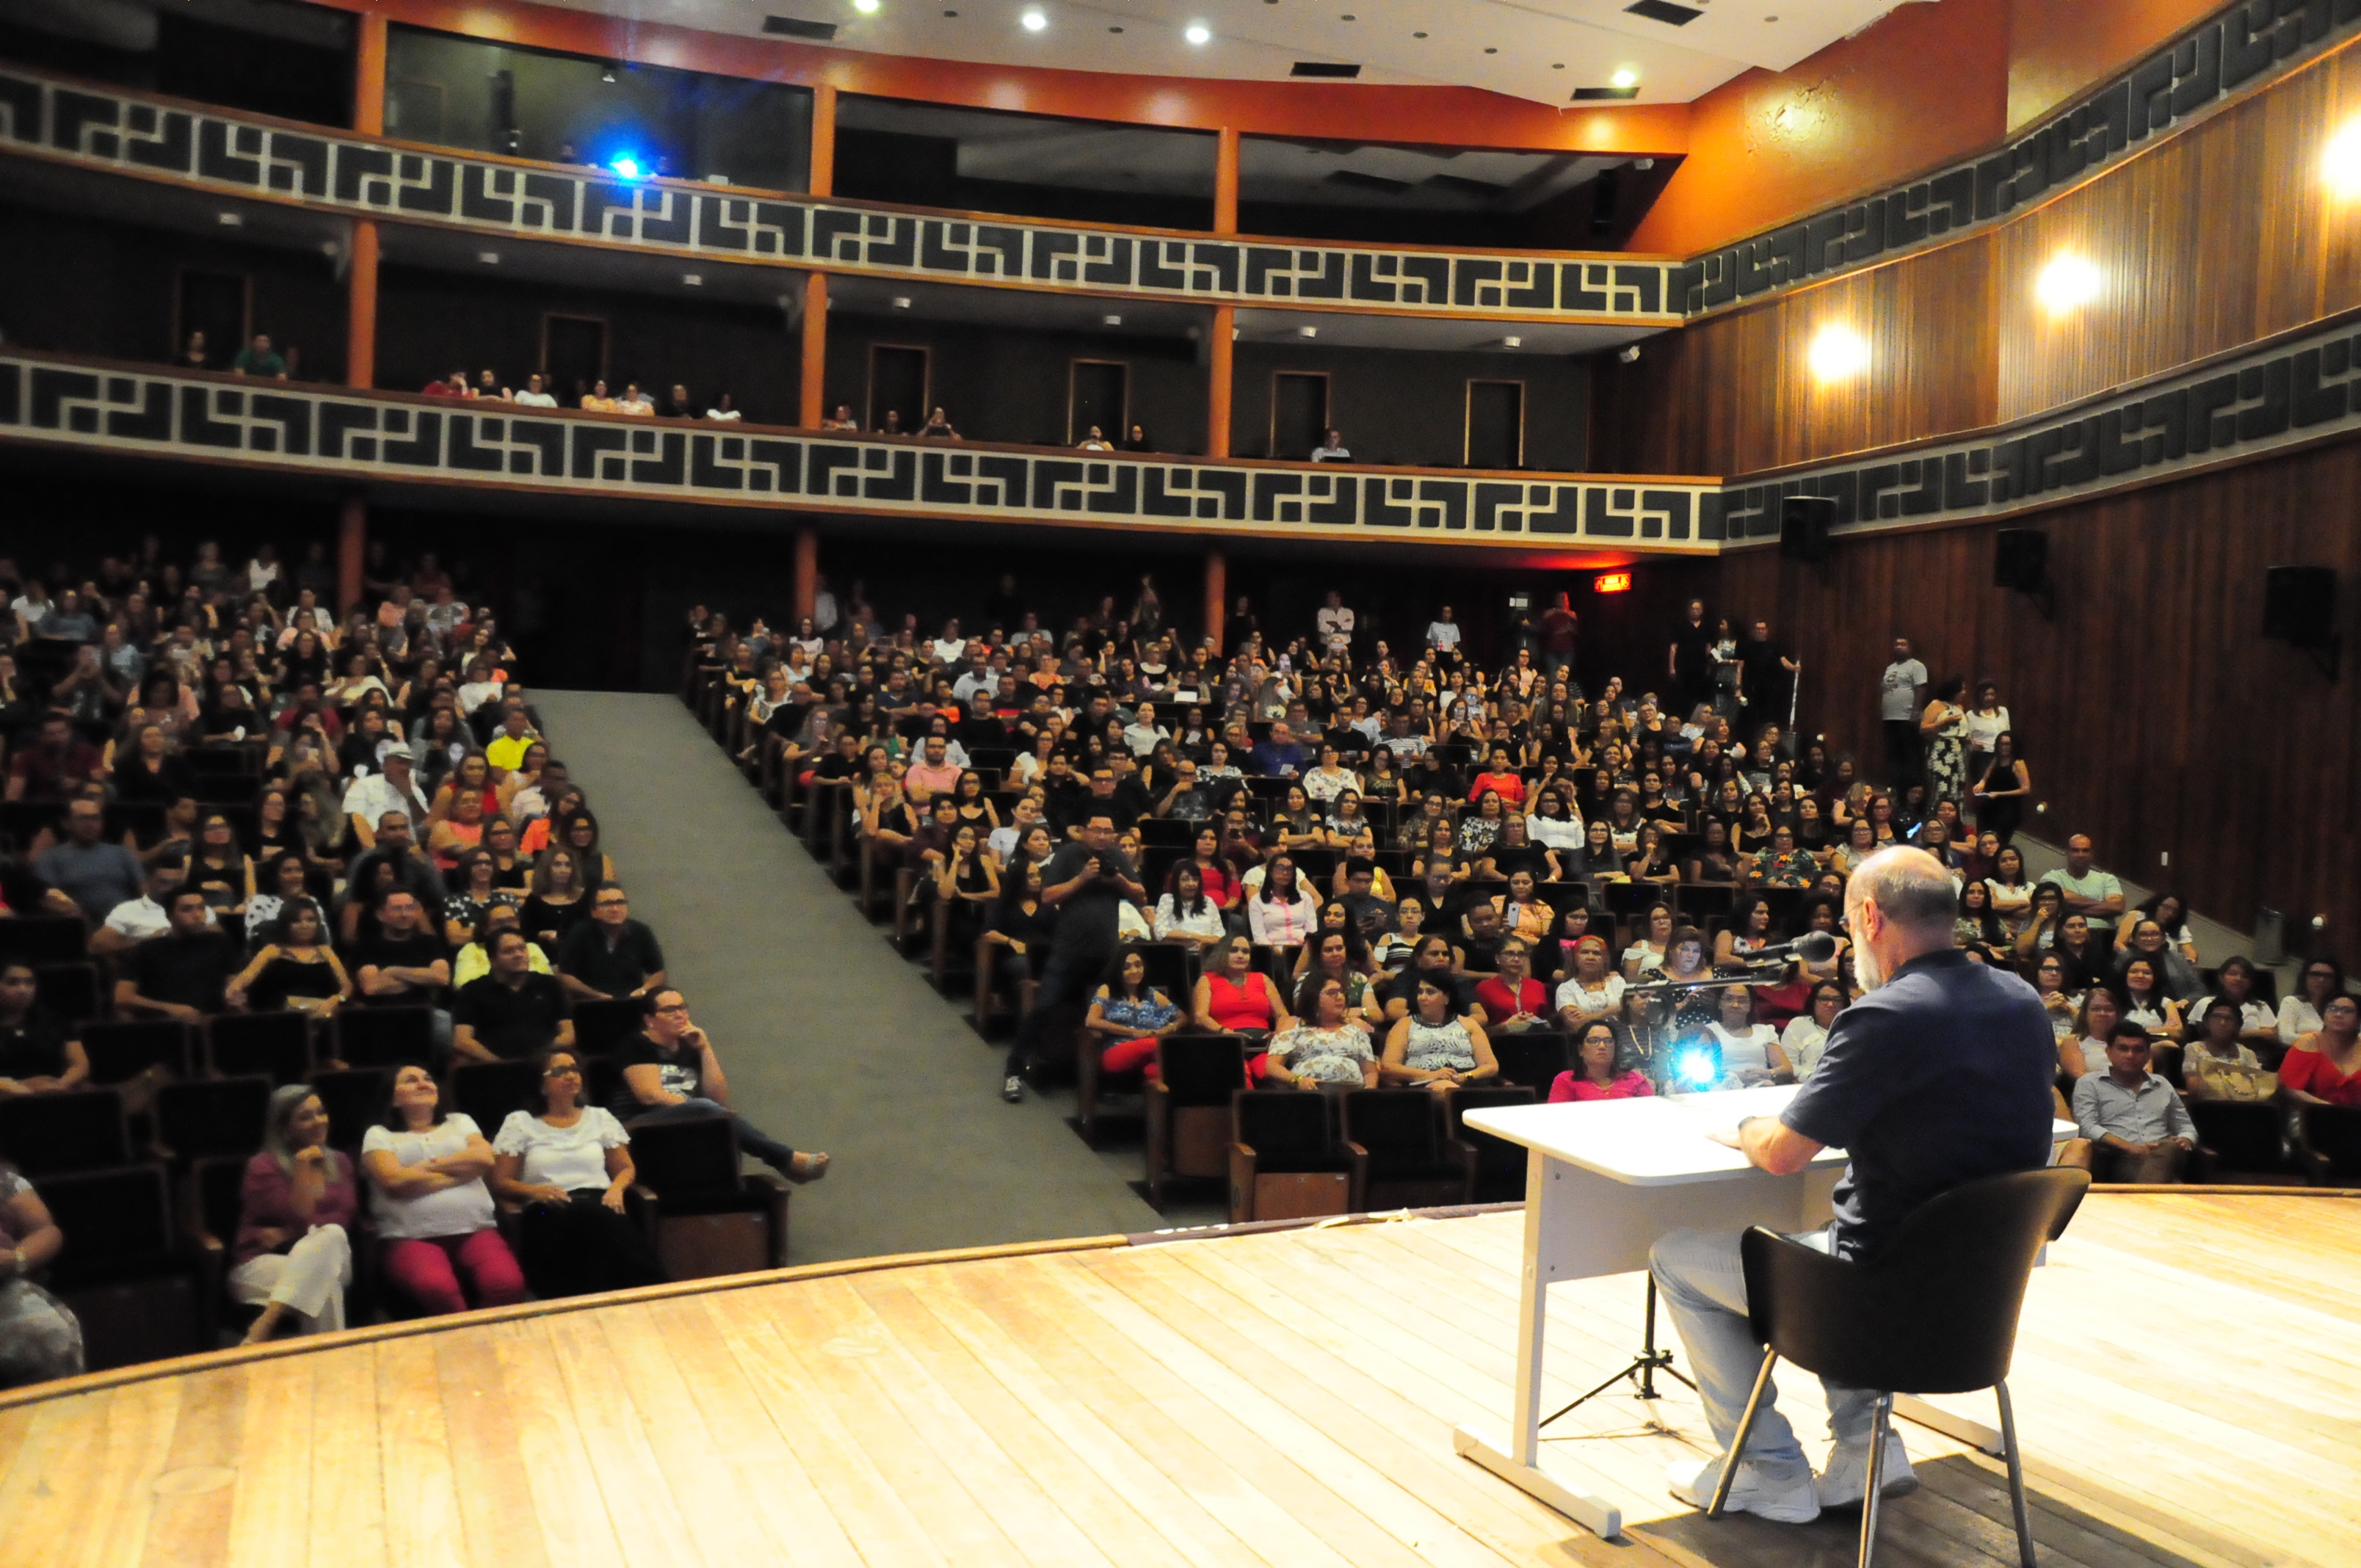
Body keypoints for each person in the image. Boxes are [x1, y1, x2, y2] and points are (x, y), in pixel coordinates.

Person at [1650, 846, 2056, 1523]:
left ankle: (1767, 1468)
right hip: (1979, 1306)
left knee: (1678, 1257)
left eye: (1847, 919)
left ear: (1870, 916)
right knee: (1844, 1232)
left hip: (1870, 1309)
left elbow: (1783, 1154)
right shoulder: (2022, 1000)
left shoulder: (1886, 1015)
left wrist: (1749, 1124)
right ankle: (1870, 1445)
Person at [491, 1045, 667, 1299]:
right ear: (540, 1084)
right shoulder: (520, 1122)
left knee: (597, 1214)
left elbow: (626, 1167)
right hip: (544, 1208)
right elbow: (501, 1182)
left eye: (574, 1069)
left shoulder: (600, 1117)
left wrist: (616, 1189)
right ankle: (654, 1286)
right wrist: (535, 1191)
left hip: (600, 1201)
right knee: (595, 1220)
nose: (571, 1075)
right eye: (560, 1071)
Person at [610, 989, 829, 1182]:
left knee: (714, 1112)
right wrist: (701, 1110)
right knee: (709, 1111)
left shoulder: (689, 1046)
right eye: (670, 1010)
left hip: (684, 1127)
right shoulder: (636, 1045)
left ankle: (774, 1168)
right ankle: (786, 1159)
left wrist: (705, 1049)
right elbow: (650, 1095)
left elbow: (717, 1096)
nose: (680, 1015)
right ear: (650, 1019)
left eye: (683, 1008)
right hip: (638, 1128)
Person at [361, 1064, 526, 1315]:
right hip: (409, 1236)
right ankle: (464, 1344)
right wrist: (461, 1173)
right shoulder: (379, 1134)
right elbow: (393, 1180)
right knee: (438, 1288)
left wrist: (427, 1166)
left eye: (428, 1078)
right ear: (394, 1098)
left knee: (507, 1284)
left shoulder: (459, 1122)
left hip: (476, 1229)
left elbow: (485, 1158)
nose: (423, 1083)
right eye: (411, 1080)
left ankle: (482, 1341)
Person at [1006, 813, 1142, 1103]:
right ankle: (1013, 1072)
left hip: (1106, 955)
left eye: (1109, 831)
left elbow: (1140, 894)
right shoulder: (1069, 854)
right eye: (1097, 830)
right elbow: (1048, 896)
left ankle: (1102, 1081)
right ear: (1084, 832)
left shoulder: (1117, 856)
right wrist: (1082, 878)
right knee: (1044, 1007)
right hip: (1068, 952)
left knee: (1111, 1017)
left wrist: (1118, 880)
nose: (1103, 836)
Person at [231, 1086, 358, 1342]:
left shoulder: (341, 1162)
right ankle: (332, 1371)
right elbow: (300, 1219)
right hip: (262, 1262)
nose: (317, 1122)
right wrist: (302, 1169)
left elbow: (343, 1218)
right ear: (284, 1128)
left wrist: (289, 1233)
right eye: (305, 1117)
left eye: (320, 1113)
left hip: (332, 1256)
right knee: (325, 1288)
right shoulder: (263, 1167)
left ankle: (265, 1324)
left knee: (331, 1235)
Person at [2068, 1025, 2194, 1183]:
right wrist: (2131, 1148)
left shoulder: (2162, 1084)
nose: (2130, 1055)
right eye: (2123, 1049)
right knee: (2174, 1184)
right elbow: (2087, 1126)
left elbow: (2186, 1127)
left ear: (2148, 1055)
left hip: (2167, 1155)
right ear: (2109, 1052)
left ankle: (2150, 1194)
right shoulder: (2090, 1083)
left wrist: (2186, 1139)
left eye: (2138, 1050)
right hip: (2120, 1158)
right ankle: (2158, 1193)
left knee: (2168, 1148)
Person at [0, 1161, 80, 1387]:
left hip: (6, 1290)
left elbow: (46, 1231)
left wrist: (17, 1260)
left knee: (50, 1330)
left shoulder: (5, 1180)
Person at [115, 888, 239, 1020]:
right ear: (170, 915)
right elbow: (123, 997)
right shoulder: (147, 949)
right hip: (167, 1025)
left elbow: (233, 984)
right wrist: (169, 1008)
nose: (197, 915)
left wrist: (235, 998)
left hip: (214, 1022)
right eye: (187, 910)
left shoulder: (220, 942)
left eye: (201, 908)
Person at [453, 929, 574, 1062]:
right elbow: (462, 1040)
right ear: (492, 960)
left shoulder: (549, 984)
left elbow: (568, 1033)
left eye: (522, 949)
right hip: (492, 1067)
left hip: (545, 1064)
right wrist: (501, 1065)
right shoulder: (473, 990)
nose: (518, 955)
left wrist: (545, 1058)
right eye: (509, 951)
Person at [1379, 972, 1498, 1092]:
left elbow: (1490, 1066)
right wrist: (1431, 1075)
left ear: (1447, 998)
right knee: (1443, 1088)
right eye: (1420, 992)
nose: (1422, 997)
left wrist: (1464, 1077)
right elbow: (1388, 1067)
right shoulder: (1404, 1025)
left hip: (1465, 1083)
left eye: (1430, 992)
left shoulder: (1468, 1024)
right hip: (1423, 1084)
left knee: (1449, 1089)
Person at [1084, 951, 1186, 1081]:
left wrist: (1164, 1030)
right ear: (1117, 971)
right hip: (1117, 1050)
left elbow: (1182, 1017)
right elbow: (1091, 1021)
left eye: (1138, 965)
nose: (1134, 971)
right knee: (1161, 1046)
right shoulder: (1107, 990)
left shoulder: (1151, 994)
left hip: (1151, 1051)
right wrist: (1133, 1032)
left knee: (1155, 1070)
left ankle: (1158, 1095)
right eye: (1127, 967)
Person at [1263, 973, 1379, 1089]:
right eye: (1332, 993)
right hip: (1310, 1094)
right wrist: (1297, 1081)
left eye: (1341, 992)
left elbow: (1370, 1072)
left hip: (1351, 1094)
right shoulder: (1293, 1024)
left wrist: (1367, 1093)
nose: (1340, 997)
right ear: (1313, 997)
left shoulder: (1355, 1026)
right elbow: (1272, 1066)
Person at [556, 885, 668, 1001]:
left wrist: (643, 991)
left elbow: (659, 973)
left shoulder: (640, 931)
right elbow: (565, 976)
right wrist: (596, 995)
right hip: (591, 1003)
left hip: (632, 1002)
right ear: (593, 911)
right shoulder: (580, 933)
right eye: (607, 904)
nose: (615, 909)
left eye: (620, 903)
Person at [0, 962, 88, 1097]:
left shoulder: (54, 1022)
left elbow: (79, 1064)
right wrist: (22, 1085)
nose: (23, 989)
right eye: (12, 983)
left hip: (53, 1095)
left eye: (29, 983)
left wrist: (61, 1083)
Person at [2280, 992, 2361, 1107]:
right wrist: (2331, 1109)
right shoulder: (2308, 1042)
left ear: (2358, 1020)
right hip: (2315, 1114)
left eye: (2347, 1011)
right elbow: (2290, 1089)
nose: (2338, 1014)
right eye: (2332, 1009)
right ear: (2323, 1017)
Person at [2039, 834, 2126, 933]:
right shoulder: (2052, 877)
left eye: (2085, 851)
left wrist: (2068, 911)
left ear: (2092, 854)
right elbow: (2060, 896)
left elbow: (2117, 907)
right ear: (2067, 853)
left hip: (2102, 935)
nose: (2081, 855)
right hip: (2065, 934)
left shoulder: (2107, 879)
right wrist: (2104, 905)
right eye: (2075, 850)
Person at [1549, 1021, 1653, 1102]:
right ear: (1580, 1050)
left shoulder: (1635, 1080)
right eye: (1594, 1041)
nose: (1602, 1046)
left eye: (1608, 1041)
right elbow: (1557, 1120)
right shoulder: (1566, 1080)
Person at [1877, 637, 1928, 790]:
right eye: (1896, 644)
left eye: (1903, 644)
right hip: (1890, 718)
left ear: (1910, 648)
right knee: (1893, 755)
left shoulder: (1916, 666)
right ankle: (1896, 787)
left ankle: (1910, 789)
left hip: (1906, 718)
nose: (1899, 647)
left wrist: (1915, 710)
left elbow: (1921, 688)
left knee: (1909, 755)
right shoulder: (1890, 668)